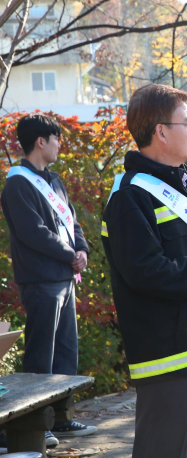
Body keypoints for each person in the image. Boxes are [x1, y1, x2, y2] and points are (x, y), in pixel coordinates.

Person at [102, 84, 187, 458]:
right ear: (161, 131)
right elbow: (145, 271)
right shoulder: (129, 195)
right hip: (166, 358)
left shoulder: (180, 187)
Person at [0, 113, 96, 445]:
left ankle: (63, 418)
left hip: (65, 277)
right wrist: (71, 255)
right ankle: (37, 426)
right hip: (41, 279)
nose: (59, 145)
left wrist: (81, 250)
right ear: (40, 141)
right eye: (56, 139)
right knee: (42, 354)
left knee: (66, 351)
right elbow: (33, 233)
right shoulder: (18, 183)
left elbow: (73, 224)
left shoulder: (55, 181)